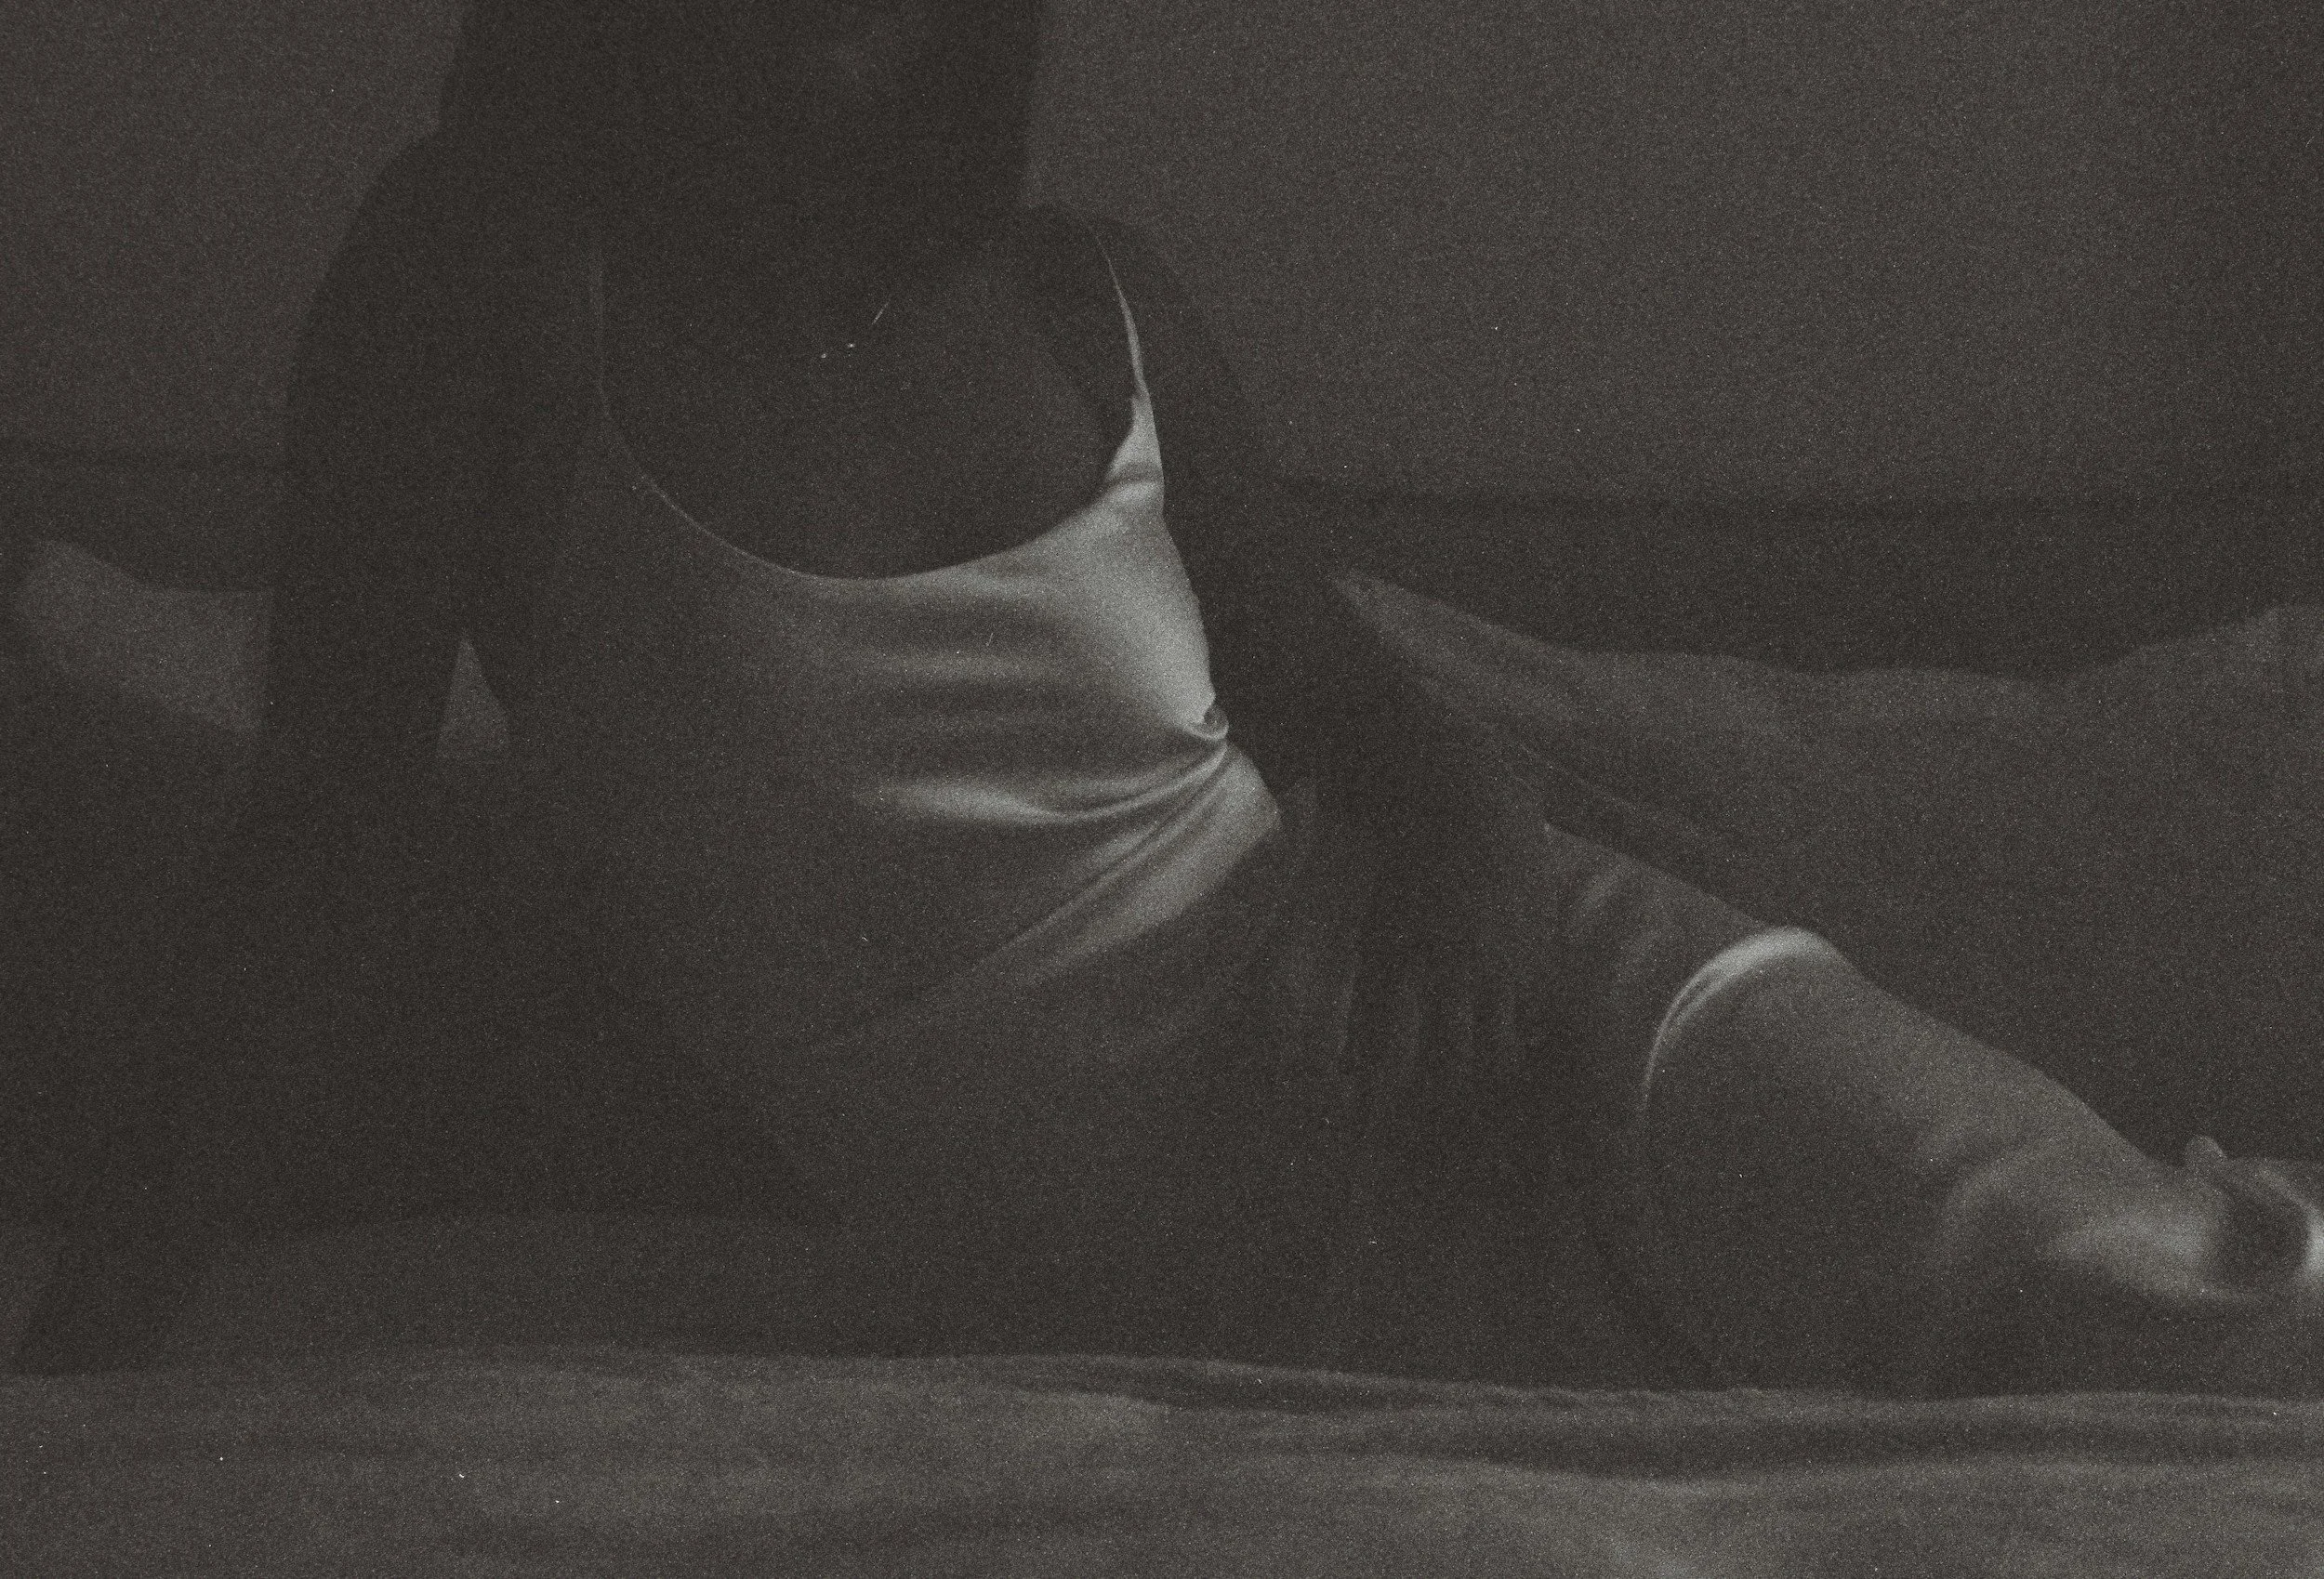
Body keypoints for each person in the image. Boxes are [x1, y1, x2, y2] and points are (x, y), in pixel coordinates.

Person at [18, 0, 2324, 1391]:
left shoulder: (1077, 292)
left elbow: (1343, 705)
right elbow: (321, 841)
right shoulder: (479, 281)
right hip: (1106, 1257)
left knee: (2149, 1288)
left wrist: (1465, 849)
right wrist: (104, 1313)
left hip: (1504, 1024)